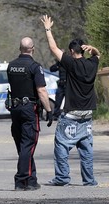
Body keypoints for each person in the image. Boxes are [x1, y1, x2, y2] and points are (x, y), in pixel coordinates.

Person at [41, 15, 100, 186]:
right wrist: (93, 48)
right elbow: (98, 55)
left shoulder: (71, 64)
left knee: (61, 146)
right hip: (87, 116)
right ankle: (89, 180)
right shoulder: (92, 64)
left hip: (72, 115)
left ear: (72, 52)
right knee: (86, 151)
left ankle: (62, 178)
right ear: (83, 50)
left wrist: (48, 28)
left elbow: (53, 48)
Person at [7, 37, 53, 191]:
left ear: (20, 48)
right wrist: (49, 110)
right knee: (29, 144)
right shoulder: (34, 66)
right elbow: (41, 90)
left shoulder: (11, 66)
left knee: (23, 145)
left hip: (15, 109)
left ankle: (31, 180)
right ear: (32, 48)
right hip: (29, 109)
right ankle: (21, 180)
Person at [49, 53, 67, 120]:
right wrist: (58, 66)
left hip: (68, 84)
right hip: (61, 85)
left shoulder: (69, 63)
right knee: (58, 101)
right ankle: (56, 115)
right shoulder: (59, 64)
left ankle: (67, 114)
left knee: (68, 101)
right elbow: (51, 69)